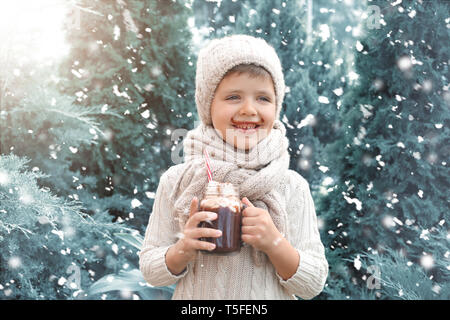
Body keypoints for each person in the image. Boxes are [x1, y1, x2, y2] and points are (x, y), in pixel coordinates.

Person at [139, 34, 328, 299]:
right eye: (233, 97)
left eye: (263, 98)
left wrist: (275, 244)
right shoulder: (179, 180)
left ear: (277, 106)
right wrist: (183, 249)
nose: (249, 109)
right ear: (208, 106)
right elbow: (150, 269)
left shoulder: (290, 186)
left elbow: (313, 283)